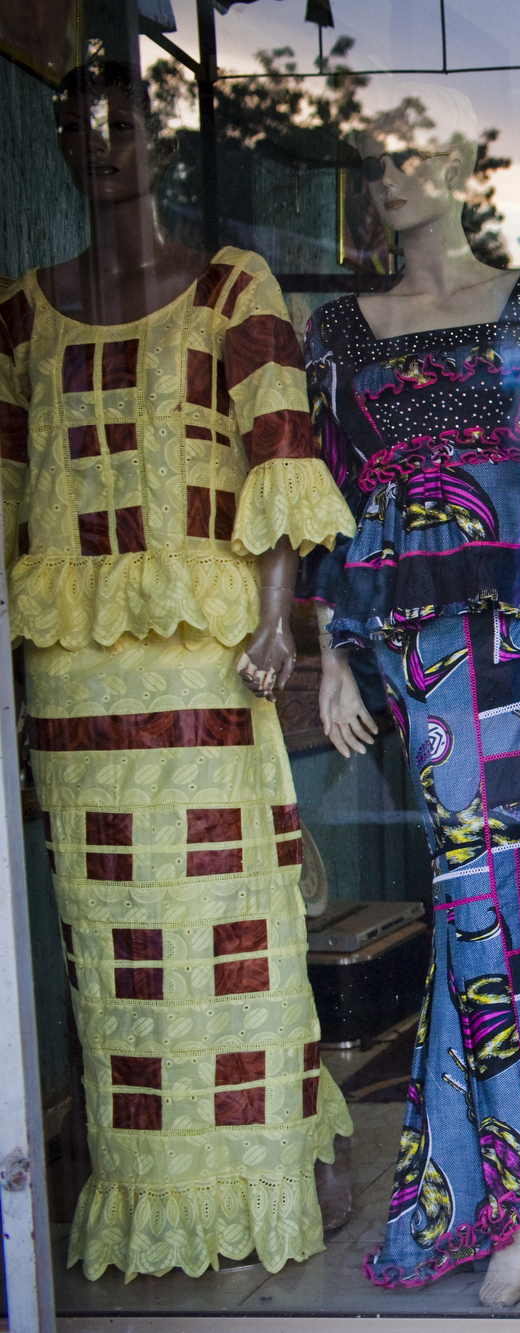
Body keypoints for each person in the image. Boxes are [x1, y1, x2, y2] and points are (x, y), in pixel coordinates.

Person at [0, 57, 355, 1280]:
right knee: (112, 952)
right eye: (77, 122)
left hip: (205, 669)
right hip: (72, 685)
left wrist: (277, 617)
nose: (102, 140)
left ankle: (262, 1175)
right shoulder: (19, 314)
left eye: (124, 119)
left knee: (231, 925)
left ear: (160, 135)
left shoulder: (228, 287)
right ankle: (145, 1188)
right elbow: (9, 497)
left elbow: (281, 454)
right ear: (58, 141)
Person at [306, 86, 520, 1306]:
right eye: (373, 160)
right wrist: (330, 648)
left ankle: (518, 1173)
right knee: (480, 893)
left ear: (464, 167)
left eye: (411, 153)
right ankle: (510, 1195)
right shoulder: (341, 330)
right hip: (422, 651)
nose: (391, 176)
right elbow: (330, 504)